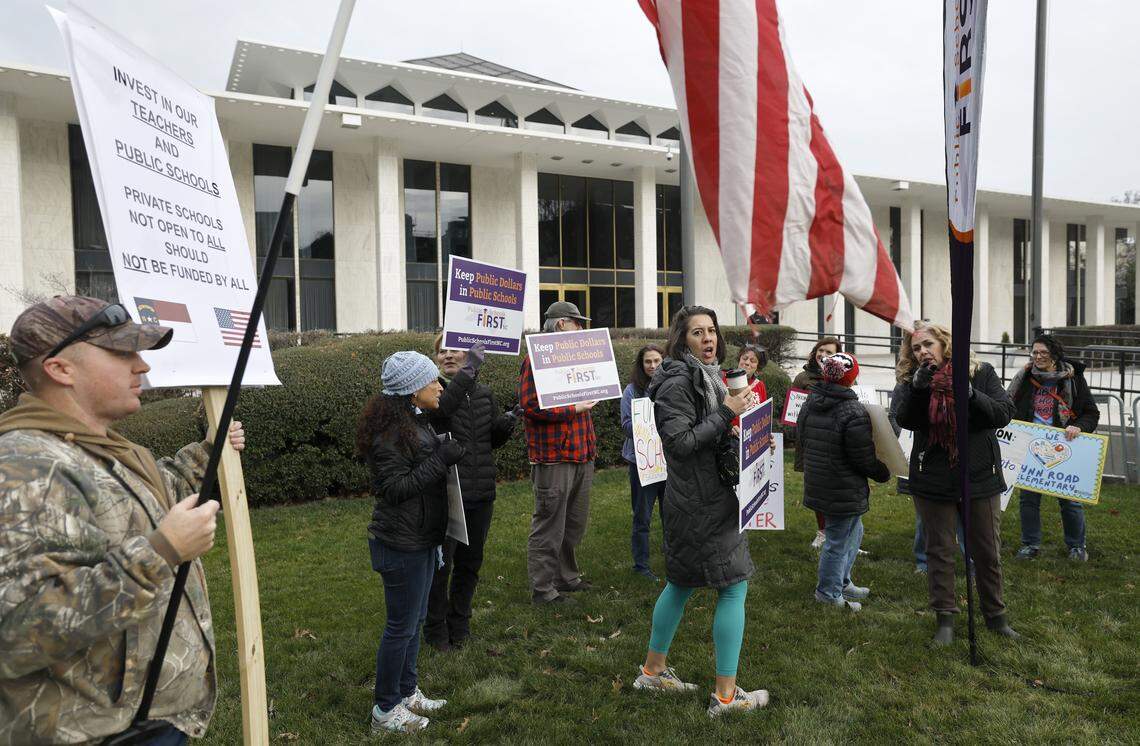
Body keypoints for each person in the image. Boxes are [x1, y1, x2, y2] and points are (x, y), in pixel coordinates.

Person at [0, 296, 246, 744]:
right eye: (122, 353)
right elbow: (16, 633)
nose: (142, 367)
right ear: (60, 369)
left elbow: (147, 499)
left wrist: (208, 454)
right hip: (98, 732)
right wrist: (161, 553)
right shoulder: (27, 467)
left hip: (143, 719)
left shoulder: (99, 448)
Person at [632, 305, 768, 717]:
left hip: (703, 498)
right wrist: (728, 411)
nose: (708, 339)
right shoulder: (676, 382)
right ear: (681, 340)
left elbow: (711, 434)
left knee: (681, 582)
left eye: (711, 331)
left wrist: (751, 436)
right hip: (701, 503)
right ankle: (726, 697)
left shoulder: (709, 376)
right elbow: (680, 443)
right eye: (697, 333)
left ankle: (653, 673)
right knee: (733, 585)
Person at [358, 351, 465, 734]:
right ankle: (386, 710)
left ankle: (407, 691)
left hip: (419, 538)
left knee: (415, 620)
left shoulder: (411, 423)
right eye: (432, 380)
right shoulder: (389, 435)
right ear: (411, 389)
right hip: (400, 543)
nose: (439, 385)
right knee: (400, 626)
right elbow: (395, 488)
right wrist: (441, 460)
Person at [894, 322, 1019, 646]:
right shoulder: (911, 380)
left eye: (927, 344)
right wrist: (921, 390)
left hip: (979, 474)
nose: (922, 352)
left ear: (944, 343)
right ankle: (945, 619)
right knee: (940, 551)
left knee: (987, 551)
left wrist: (971, 394)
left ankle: (996, 617)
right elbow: (905, 418)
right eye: (916, 348)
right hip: (933, 476)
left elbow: (1003, 413)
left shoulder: (981, 372)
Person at [423, 338, 518, 651]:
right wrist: (471, 368)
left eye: (454, 348)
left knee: (470, 563)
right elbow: (445, 408)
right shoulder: (430, 392)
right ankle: (435, 631)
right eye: (442, 350)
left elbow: (489, 440)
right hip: (449, 495)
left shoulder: (484, 393)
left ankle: (459, 624)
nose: (448, 354)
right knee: (443, 566)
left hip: (481, 493)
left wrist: (506, 424)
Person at [519, 301, 597, 605]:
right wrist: (573, 408)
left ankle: (566, 577)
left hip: (581, 453)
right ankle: (543, 589)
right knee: (549, 524)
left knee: (573, 523)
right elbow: (530, 405)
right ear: (562, 324)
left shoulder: (578, 358)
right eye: (577, 322)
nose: (581, 328)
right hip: (554, 456)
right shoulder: (535, 360)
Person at [798, 352, 889, 611]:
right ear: (852, 378)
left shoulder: (810, 402)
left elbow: (802, 438)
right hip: (842, 487)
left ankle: (843, 581)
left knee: (854, 532)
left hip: (820, 481)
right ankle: (828, 593)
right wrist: (883, 472)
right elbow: (863, 457)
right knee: (838, 540)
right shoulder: (853, 410)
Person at [1008, 334, 1100, 562]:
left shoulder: (1073, 378)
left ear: (1055, 355)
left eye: (1043, 353)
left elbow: (1091, 412)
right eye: (1034, 352)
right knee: (1028, 499)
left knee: (1069, 499)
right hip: (1031, 446)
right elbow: (1008, 406)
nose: (1038, 357)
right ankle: (1030, 544)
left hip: (1064, 446)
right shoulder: (1025, 378)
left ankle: (1077, 546)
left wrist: (1078, 427)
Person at [620, 344, 667, 581]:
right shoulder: (632, 391)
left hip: (668, 461)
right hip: (642, 463)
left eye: (657, 361)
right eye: (648, 362)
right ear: (641, 365)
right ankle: (641, 566)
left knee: (671, 514)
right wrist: (646, 424)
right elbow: (626, 425)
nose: (653, 366)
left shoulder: (671, 387)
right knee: (642, 516)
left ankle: (674, 560)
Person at [791, 336, 842, 549]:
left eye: (829, 352)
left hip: (838, 442)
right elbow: (792, 411)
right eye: (820, 351)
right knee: (817, 490)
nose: (823, 355)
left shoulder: (844, 377)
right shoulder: (803, 378)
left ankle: (843, 535)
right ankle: (822, 532)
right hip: (812, 442)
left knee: (840, 490)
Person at [722, 343, 769, 429]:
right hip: (726, 435)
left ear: (757, 367)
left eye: (753, 361)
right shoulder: (724, 378)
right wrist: (729, 428)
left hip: (751, 438)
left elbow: (763, 417)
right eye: (744, 358)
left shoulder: (760, 385)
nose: (747, 362)